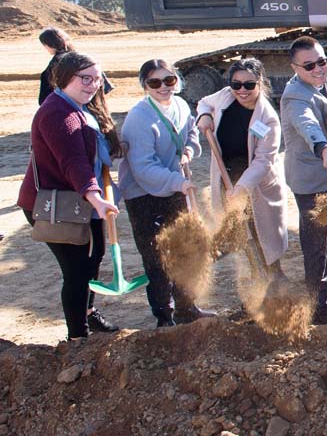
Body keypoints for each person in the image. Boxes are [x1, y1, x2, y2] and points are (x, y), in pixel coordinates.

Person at [18, 52, 122, 340]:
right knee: (77, 271)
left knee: (94, 256)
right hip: (54, 205)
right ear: (64, 78)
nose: (92, 85)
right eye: (84, 78)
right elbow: (72, 161)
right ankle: (78, 337)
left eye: (97, 79)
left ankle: (88, 313)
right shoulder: (56, 113)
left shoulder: (79, 106)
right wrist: (95, 197)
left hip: (81, 201)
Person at [119, 59, 213, 327]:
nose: (163, 87)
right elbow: (143, 167)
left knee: (185, 249)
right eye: (154, 82)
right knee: (157, 256)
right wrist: (178, 182)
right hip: (144, 195)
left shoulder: (182, 106)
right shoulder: (139, 118)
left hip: (174, 186)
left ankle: (187, 307)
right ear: (145, 86)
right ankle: (164, 317)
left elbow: (192, 134)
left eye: (169, 81)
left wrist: (188, 151)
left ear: (178, 81)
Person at [280, 36, 327, 325]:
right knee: (315, 241)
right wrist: (323, 149)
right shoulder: (294, 96)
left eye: (322, 61)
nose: (318, 69)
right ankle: (321, 305)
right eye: (309, 65)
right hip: (309, 177)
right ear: (295, 68)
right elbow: (307, 124)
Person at [195, 58, 288, 274]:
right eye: (236, 84)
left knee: (262, 232)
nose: (242, 90)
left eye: (249, 85)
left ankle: (275, 277)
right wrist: (205, 116)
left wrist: (242, 188)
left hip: (256, 182)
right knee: (241, 232)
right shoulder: (225, 96)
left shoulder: (267, 119)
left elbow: (263, 160)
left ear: (260, 82)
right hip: (226, 177)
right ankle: (255, 277)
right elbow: (204, 103)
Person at [37, 27, 75, 105]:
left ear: (50, 44)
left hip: (64, 107)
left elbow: (44, 99)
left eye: (44, 44)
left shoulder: (56, 63)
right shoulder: (79, 57)